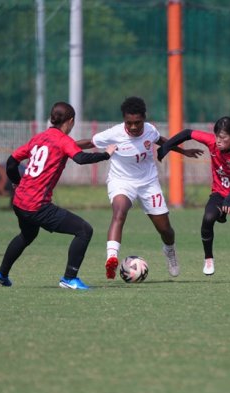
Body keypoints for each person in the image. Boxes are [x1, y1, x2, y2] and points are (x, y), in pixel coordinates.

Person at [0, 102, 116, 290]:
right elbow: (80, 159)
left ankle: (1, 274)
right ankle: (69, 278)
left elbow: (11, 162)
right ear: (71, 121)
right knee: (84, 230)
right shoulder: (63, 140)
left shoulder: (39, 138)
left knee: (27, 235)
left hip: (20, 202)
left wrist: (17, 182)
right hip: (37, 205)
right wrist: (106, 155)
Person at [76, 97, 203, 280]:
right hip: (121, 181)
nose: (134, 127)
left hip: (148, 183)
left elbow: (161, 140)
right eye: (129, 123)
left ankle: (170, 251)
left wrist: (183, 151)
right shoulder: (114, 133)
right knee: (119, 212)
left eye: (138, 123)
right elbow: (88, 143)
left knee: (165, 229)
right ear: (124, 120)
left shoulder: (150, 130)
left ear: (144, 118)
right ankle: (111, 258)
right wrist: (61, 146)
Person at [158, 116, 230, 284]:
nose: (219, 141)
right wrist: (166, 146)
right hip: (220, 193)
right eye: (217, 136)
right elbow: (187, 133)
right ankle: (208, 258)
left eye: (224, 138)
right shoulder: (213, 142)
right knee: (208, 218)